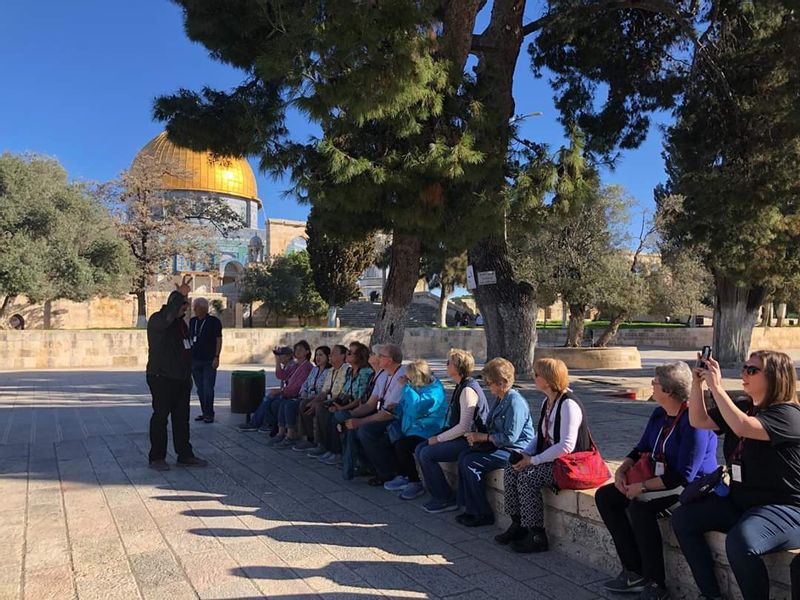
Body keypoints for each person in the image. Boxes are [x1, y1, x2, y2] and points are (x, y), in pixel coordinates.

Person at [671, 350, 800, 600]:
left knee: (741, 542)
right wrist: (697, 385)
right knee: (684, 519)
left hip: (785, 508)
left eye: (752, 370)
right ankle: (712, 595)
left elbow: (742, 426)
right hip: (742, 501)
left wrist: (717, 387)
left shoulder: (790, 416)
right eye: (744, 368)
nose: (744, 374)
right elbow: (698, 420)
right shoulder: (743, 405)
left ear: (775, 377)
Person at [595, 362, 718, 599]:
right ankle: (633, 571)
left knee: (640, 507)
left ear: (669, 391)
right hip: (660, 479)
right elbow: (641, 448)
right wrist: (622, 470)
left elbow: (683, 475)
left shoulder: (693, 421)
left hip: (689, 487)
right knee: (606, 496)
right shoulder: (660, 413)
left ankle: (655, 583)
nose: (651, 385)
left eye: (655, 382)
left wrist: (641, 486)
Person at [496, 359, 595, 553]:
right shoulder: (548, 401)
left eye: (537, 375)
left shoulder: (568, 405)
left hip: (569, 464)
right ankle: (518, 524)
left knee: (527, 477)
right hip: (552, 458)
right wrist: (525, 453)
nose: (534, 378)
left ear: (549, 379)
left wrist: (533, 460)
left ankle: (537, 535)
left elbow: (566, 445)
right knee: (511, 468)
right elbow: (541, 435)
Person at [455, 357, 534, 527]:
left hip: (515, 450)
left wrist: (484, 438)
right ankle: (469, 507)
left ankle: (482, 512)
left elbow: (510, 437)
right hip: (501, 446)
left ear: (502, 382)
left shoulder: (514, 402)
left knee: (471, 462)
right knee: (463, 456)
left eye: (490, 383)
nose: (488, 386)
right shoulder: (501, 399)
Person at [415, 348, 490, 513]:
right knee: (420, 447)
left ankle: (445, 498)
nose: (446, 365)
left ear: (457, 367)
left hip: (472, 442)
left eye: (448, 362)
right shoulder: (461, 385)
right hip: (461, 437)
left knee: (427, 453)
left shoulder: (468, 390)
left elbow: (464, 426)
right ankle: (439, 494)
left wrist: (439, 439)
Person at [145, 281, 207, 471]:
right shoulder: (158, 321)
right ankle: (157, 457)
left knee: (182, 418)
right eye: (182, 307)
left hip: (181, 379)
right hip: (161, 377)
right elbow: (167, 317)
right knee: (161, 416)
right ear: (173, 305)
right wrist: (180, 295)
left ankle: (184, 454)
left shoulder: (181, 325)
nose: (185, 311)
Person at [383, 360, 447, 500]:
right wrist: (396, 409)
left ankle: (414, 482)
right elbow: (408, 407)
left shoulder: (435, 391)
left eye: (409, 377)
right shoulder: (416, 387)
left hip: (428, 430)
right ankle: (403, 474)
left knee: (403, 446)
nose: (406, 379)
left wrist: (405, 388)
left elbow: (417, 408)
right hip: (412, 428)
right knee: (389, 434)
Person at [345, 343, 407, 486]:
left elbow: (389, 413)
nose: (377, 358)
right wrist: (350, 414)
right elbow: (370, 404)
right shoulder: (383, 375)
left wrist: (360, 422)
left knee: (365, 430)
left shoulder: (401, 376)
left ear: (389, 360)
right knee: (350, 424)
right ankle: (369, 466)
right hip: (384, 414)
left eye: (381, 356)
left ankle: (386, 472)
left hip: (397, 419)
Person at [324, 342, 376, 472]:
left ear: (359, 356)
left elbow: (360, 397)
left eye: (350, 353)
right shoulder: (349, 371)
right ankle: (332, 449)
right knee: (325, 410)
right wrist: (334, 402)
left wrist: (342, 408)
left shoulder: (365, 372)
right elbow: (345, 391)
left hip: (359, 409)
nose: (347, 354)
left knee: (339, 417)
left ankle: (341, 454)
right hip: (346, 404)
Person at [281, 345, 331, 451]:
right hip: (305, 396)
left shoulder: (329, 372)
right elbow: (305, 384)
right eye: (317, 355)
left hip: (318, 398)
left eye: (321, 355)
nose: (318, 357)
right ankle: (284, 433)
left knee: (299, 405)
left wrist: (313, 398)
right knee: (286, 403)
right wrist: (303, 392)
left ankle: (310, 439)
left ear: (327, 357)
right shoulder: (314, 370)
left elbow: (326, 390)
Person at [305, 344, 350, 459]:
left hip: (340, 402)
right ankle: (311, 440)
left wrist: (322, 403)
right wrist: (315, 401)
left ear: (343, 356)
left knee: (322, 410)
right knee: (305, 404)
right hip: (329, 400)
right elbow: (325, 391)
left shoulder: (346, 370)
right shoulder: (331, 370)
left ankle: (327, 447)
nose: (330, 356)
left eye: (333, 353)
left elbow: (342, 394)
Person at [263, 340, 313, 445]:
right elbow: (281, 375)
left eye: (300, 349)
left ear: (307, 352)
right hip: (289, 394)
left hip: (298, 395)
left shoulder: (307, 367)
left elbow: (297, 386)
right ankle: (280, 433)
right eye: (296, 349)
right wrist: (277, 360)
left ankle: (290, 435)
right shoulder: (295, 366)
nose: (297, 351)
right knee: (277, 402)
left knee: (286, 404)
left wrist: (280, 391)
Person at [237, 345, 296, 432]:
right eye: (277, 355)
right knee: (268, 398)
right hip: (285, 391)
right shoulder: (287, 365)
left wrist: (277, 362)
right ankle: (262, 423)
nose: (278, 357)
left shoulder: (292, 366)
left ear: (289, 356)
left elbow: (280, 375)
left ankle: (258, 424)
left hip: (289, 393)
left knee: (270, 399)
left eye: (280, 355)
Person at [189, 297, 223, 424]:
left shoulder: (214, 322)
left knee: (208, 388)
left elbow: (219, 340)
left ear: (202, 308)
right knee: (200, 389)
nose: (194, 310)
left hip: (209, 360)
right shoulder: (193, 321)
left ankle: (210, 413)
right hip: (195, 360)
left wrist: (217, 356)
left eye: (195, 308)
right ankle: (204, 412)